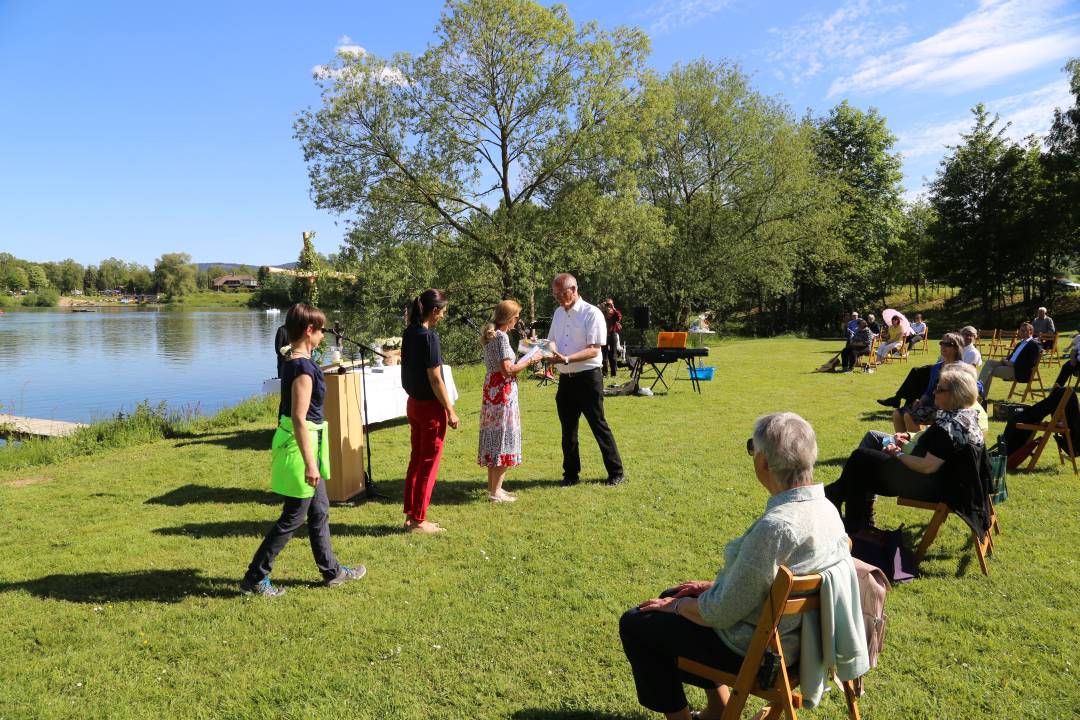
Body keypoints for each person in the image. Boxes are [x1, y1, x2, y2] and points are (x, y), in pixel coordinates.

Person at [619, 413, 861, 720]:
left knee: (637, 623)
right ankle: (718, 711)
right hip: (797, 642)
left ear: (762, 462)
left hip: (760, 654)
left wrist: (678, 607)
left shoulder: (777, 527)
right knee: (675, 594)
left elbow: (719, 612)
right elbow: (770, 582)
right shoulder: (826, 508)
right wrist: (702, 590)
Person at [240, 303, 366, 597]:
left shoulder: (297, 361)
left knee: (319, 510)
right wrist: (311, 464)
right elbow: (298, 417)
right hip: (301, 447)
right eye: (321, 330)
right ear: (309, 331)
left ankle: (331, 572)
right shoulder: (302, 369)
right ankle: (255, 578)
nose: (324, 335)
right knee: (294, 516)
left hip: (308, 442)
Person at [826, 366, 984, 530]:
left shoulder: (949, 428)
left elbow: (927, 466)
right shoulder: (966, 417)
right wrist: (909, 439)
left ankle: (852, 522)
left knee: (860, 460)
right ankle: (852, 516)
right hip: (948, 481)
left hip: (928, 485)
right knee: (862, 462)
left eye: (939, 389)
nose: (934, 392)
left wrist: (898, 453)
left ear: (955, 395)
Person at [548, 273, 624, 486]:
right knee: (568, 430)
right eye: (556, 295)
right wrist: (548, 351)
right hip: (566, 379)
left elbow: (593, 350)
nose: (559, 299)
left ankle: (616, 472)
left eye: (562, 294)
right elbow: (552, 340)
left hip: (588, 378)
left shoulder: (592, 313)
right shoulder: (558, 313)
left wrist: (566, 358)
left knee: (598, 425)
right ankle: (570, 475)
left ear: (574, 289)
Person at [401, 288, 460, 533]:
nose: (443, 316)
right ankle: (418, 520)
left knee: (416, 460)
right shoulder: (428, 337)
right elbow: (436, 378)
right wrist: (451, 410)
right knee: (427, 463)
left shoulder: (409, 332)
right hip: (429, 409)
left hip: (413, 404)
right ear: (434, 311)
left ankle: (410, 515)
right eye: (443, 311)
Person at [478, 300, 541, 502]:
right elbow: (507, 370)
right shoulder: (502, 337)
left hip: (492, 391)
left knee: (494, 436)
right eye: (516, 317)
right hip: (502, 393)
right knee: (504, 436)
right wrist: (531, 359)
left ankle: (494, 488)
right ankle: (496, 492)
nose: (517, 320)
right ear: (509, 318)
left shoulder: (492, 335)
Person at [891, 333, 964, 432]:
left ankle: (916, 445)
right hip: (931, 405)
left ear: (956, 348)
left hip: (949, 409)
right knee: (897, 414)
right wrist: (920, 401)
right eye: (942, 343)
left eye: (948, 344)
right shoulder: (936, 367)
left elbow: (968, 391)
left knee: (910, 416)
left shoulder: (962, 368)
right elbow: (929, 391)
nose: (943, 346)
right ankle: (902, 444)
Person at [977, 322, 1042, 399]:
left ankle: (980, 395)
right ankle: (978, 389)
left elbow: (1030, 363)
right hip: (1008, 365)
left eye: (1024, 331)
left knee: (990, 371)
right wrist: (1006, 360)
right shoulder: (1020, 343)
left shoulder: (1034, 344)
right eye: (1021, 331)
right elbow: (1012, 357)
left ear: (1031, 332)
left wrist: (1012, 364)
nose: (1022, 332)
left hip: (1019, 370)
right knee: (989, 362)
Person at [600, 298, 623, 378]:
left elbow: (619, 318)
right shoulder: (602, 312)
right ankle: (604, 373)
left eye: (610, 304)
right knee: (604, 355)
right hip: (604, 335)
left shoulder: (615, 313)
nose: (608, 306)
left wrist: (613, 308)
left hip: (613, 334)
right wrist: (601, 308)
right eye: (607, 304)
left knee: (613, 355)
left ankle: (613, 374)